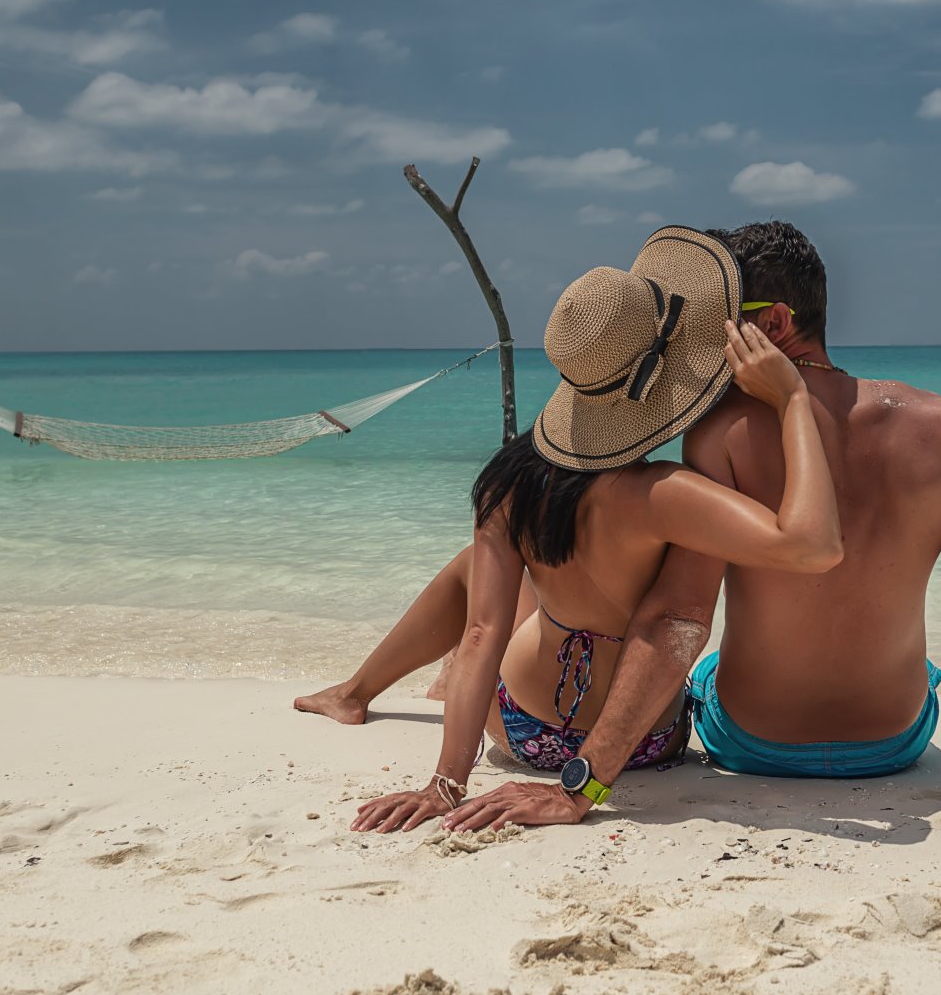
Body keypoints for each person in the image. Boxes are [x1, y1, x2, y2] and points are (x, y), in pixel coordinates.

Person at [446, 221, 941, 830]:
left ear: (772, 324)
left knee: (687, 660)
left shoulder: (721, 437)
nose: (702, 353)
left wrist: (583, 788)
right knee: (922, 669)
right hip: (895, 741)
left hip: (753, 741)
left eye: (718, 328)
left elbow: (680, 618)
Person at [321, 226, 844, 834]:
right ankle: (365, 689)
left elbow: (481, 636)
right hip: (642, 747)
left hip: (517, 728)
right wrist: (793, 403)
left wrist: (446, 786)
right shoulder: (665, 494)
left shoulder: (507, 484)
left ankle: (361, 692)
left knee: (486, 589)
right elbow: (812, 544)